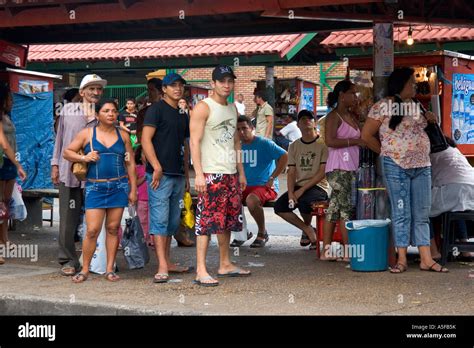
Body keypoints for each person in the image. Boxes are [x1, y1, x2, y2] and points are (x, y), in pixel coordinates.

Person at [361, 67, 448, 273]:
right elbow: (366, 136)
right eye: (411, 82)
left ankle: (426, 259)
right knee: (402, 213)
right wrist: (386, 152)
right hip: (396, 166)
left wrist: (431, 120)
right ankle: (401, 260)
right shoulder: (384, 106)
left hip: (422, 165)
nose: (415, 85)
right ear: (401, 84)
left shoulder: (417, 105)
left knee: (422, 213)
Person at [63, 99, 137, 282]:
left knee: (113, 229)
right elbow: (67, 152)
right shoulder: (87, 133)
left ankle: (109, 269)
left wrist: (133, 189)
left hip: (119, 186)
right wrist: (85, 157)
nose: (111, 114)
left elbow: (131, 164)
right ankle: (85, 269)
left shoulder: (124, 136)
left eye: (113, 111)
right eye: (106, 111)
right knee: (92, 230)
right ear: (97, 115)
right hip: (95, 186)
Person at [190, 65, 251, 287]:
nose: (226, 85)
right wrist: (198, 174)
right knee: (205, 222)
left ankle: (225, 264)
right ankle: (200, 270)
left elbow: (236, 141)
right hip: (210, 172)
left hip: (230, 173)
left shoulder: (233, 108)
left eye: (230, 81)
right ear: (213, 83)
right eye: (222, 81)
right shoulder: (203, 107)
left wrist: (241, 171)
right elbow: (194, 141)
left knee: (226, 220)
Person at [51, 73, 107, 276]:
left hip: (96, 172)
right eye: (91, 88)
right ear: (82, 92)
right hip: (69, 170)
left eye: (99, 89)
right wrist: (55, 164)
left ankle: (93, 260)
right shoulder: (68, 110)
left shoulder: (103, 113)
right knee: (68, 217)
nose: (95, 92)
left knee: (96, 220)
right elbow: (60, 140)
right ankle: (67, 259)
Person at [141, 72, 193, 284]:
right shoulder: (156, 110)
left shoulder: (182, 112)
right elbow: (145, 140)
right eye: (173, 85)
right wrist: (156, 167)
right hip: (159, 176)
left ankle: (168, 262)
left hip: (179, 174)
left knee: (172, 221)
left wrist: (188, 173)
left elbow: (186, 143)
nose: (177, 89)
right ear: (164, 89)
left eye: (180, 85)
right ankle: (162, 265)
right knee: (159, 221)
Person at [274, 109, 329, 250]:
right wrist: (291, 192)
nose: (306, 121)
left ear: (315, 123)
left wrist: (301, 191)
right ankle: (308, 229)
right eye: (302, 119)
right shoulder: (294, 146)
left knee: (305, 202)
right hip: (300, 186)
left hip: (319, 186)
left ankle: (309, 233)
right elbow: (291, 172)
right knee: (280, 206)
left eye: (309, 119)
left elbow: (322, 172)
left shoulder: (323, 144)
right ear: (297, 124)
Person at [321, 80, 364, 261]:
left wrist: (359, 111)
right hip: (338, 167)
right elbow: (330, 141)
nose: (355, 97)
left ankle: (327, 250)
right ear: (341, 95)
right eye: (352, 93)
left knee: (335, 208)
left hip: (351, 167)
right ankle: (347, 251)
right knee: (345, 208)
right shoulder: (333, 117)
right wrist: (354, 142)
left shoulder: (351, 116)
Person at [235, 115, 288, 248]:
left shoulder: (264, 143)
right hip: (244, 186)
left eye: (244, 128)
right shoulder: (237, 146)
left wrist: (273, 177)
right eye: (238, 129)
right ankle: (243, 233)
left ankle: (262, 232)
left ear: (252, 128)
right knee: (228, 198)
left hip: (265, 186)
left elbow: (284, 156)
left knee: (251, 200)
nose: (241, 132)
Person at [429, 136, 474, 260]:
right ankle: (465, 249)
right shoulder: (455, 151)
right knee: (455, 207)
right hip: (471, 188)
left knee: (421, 211)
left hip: (453, 189)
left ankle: (433, 252)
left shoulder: (431, 154)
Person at [0, 83, 27, 265]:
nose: (12, 102)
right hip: (2, 163)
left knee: (5, 206)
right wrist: (18, 165)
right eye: (9, 99)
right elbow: (4, 144)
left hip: (8, 164)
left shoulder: (7, 116)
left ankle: (4, 240)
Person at [135, 146, 152, 247]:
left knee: (152, 220)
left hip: (152, 198)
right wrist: (144, 177)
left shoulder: (154, 168)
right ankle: (143, 238)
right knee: (142, 220)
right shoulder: (138, 168)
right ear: (140, 156)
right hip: (142, 199)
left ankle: (152, 239)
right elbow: (135, 182)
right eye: (143, 154)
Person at [136, 78, 162, 144]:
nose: (149, 93)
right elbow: (140, 136)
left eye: (152, 90)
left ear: (161, 91)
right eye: (148, 90)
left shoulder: (170, 110)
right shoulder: (143, 113)